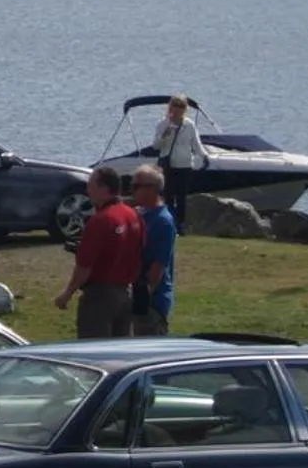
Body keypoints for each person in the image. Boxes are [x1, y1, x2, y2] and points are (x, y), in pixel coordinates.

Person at [55, 167, 143, 338]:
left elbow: (85, 266)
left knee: (94, 350)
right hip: (126, 294)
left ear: (104, 189)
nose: (88, 191)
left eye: (91, 186)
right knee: (120, 351)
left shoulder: (101, 220)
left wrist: (68, 293)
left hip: (100, 296)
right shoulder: (133, 216)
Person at [131, 164, 178, 336]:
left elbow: (158, 267)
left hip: (151, 302)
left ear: (152, 189)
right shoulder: (141, 214)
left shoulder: (163, 222)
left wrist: (142, 300)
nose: (132, 190)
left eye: (136, 186)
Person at [153, 93, 207, 233]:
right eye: (175, 106)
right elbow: (156, 146)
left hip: (184, 165)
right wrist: (166, 133)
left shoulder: (189, 125)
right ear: (170, 107)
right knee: (168, 196)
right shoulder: (163, 124)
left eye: (181, 106)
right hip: (168, 164)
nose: (177, 110)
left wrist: (204, 156)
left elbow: (196, 144)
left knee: (182, 197)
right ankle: (170, 224)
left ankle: (180, 225)